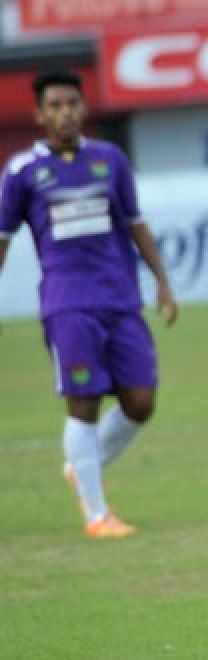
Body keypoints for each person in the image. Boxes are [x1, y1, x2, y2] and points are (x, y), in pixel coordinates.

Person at [0, 68, 178, 538]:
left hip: (121, 301)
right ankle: (98, 515)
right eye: (55, 105)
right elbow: (2, 237)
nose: (65, 113)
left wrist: (162, 282)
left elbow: (136, 224)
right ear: (39, 114)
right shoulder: (23, 173)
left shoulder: (110, 160)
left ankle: (83, 464)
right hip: (67, 304)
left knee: (140, 401)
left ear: (84, 108)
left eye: (72, 103)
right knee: (83, 403)